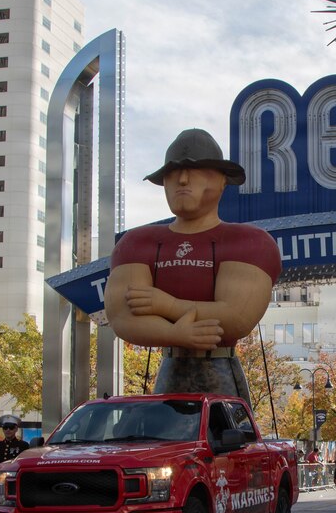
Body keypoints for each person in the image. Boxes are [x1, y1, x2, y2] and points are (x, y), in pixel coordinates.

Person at [104, 128, 282, 399]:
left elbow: (236, 318)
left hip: (221, 372)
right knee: (164, 439)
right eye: (173, 173)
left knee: (228, 439)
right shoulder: (137, 243)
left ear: (222, 180)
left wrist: (167, 305)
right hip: (171, 369)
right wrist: (179, 334)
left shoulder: (248, 242)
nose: (183, 180)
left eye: (195, 171)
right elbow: (123, 317)